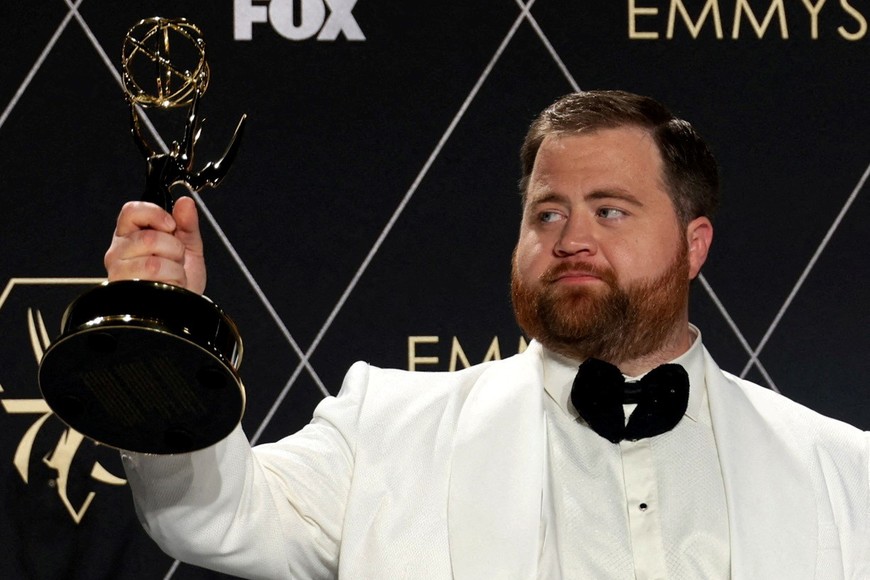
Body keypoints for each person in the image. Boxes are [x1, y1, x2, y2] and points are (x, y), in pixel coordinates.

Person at [109, 91, 869, 579]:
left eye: (610, 210)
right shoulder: (386, 430)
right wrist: (162, 333)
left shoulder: (845, 474)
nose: (571, 237)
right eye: (547, 213)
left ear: (694, 244)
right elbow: (208, 514)